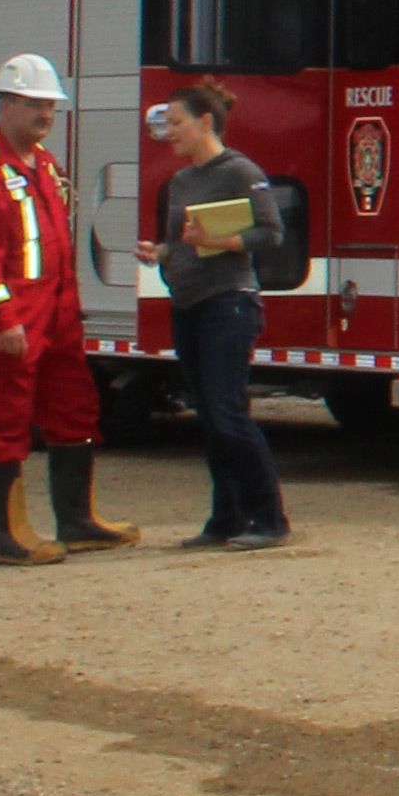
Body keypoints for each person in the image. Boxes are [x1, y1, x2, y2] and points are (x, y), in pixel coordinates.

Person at [0, 53, 136, 565]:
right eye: (34, 104)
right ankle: (8, 537)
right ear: (6, 103)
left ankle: (77, 521)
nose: (46, 115)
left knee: (74, 409)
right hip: (11, 318)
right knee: (3, 416)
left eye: (50, 106)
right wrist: (3, 320)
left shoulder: (46, 164)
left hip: (56, 312)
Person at [141, 81, 290, 550]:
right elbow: (178, 241)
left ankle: (269, 518)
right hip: (187, 303)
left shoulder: (240, 171)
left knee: (228, 412)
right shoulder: (181, 181)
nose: (170, 133)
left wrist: (223, 241)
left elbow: (271, 232)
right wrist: (159, 251)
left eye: (178, 123)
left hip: (228, 302)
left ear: (206, 122)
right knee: (209, 415)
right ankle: (225, 518)